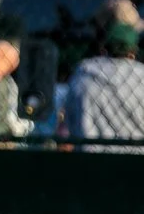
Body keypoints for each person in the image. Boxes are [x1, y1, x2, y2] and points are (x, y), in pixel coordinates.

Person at [62, 22, 144, 150]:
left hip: (90, 159)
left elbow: (69, 120)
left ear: (104, 48)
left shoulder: (83, 72)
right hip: (136, 161)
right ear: (133, 51)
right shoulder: (141, 75)